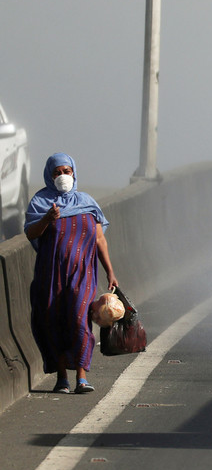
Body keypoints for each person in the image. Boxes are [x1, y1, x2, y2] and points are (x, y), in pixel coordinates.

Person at [23, 153, 118, 394]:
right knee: (53, 320)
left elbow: (99, 240)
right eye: (57, 172)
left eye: (67, 171)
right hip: (50, 274)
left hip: (82, 274)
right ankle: (62, 378)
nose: (63, 176)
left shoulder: (86, 202)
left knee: (79, 319)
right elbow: (31, 233)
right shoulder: (41, 202)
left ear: (74, 172)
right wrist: (47, 218)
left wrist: (110, 271)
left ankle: (82, 377)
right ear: (49, 175)